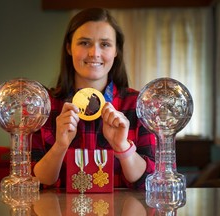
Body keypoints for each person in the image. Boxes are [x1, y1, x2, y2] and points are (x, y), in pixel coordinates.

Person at [32, 8, 156, 190]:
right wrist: (60, 146)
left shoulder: (140, 104)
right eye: (84, 43)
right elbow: (35, 181)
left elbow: (150, 182)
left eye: (105, 44)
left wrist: (122, 147)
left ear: (116, 51)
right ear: (69, 47)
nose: (94, 53)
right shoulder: (43, 105)